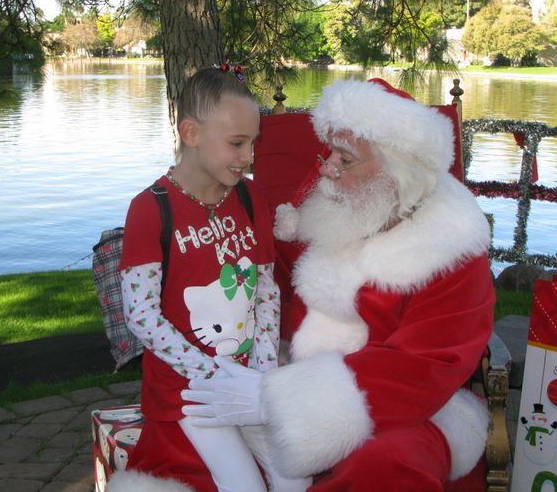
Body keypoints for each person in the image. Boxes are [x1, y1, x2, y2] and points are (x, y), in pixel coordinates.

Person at [182, 78, 496, 491]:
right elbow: (257, 285)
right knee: (189, 428)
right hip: (283, 368)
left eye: (343, 159)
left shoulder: (450, 252)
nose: (326, 169)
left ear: (396, 173)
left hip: (411, 408)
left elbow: (424, 368)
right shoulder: (324, 212)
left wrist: (280, 399)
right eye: (327, 153)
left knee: (385, 466)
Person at [109, 66, 309, 492]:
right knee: (244, 486)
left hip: (248, 378)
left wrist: (260, 369)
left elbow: (267, 289)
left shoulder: (250, 198)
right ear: (191, 134)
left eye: (254, 142)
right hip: (191, 390)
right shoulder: (150, 208)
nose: (249, 156)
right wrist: (212, 375)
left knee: (294, 477)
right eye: (237, 143)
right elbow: (142, 316)